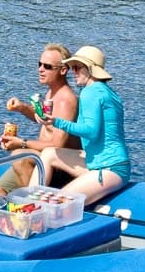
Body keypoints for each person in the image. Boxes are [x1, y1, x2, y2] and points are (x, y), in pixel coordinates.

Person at [38, 45, 130, 203]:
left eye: (77, 67)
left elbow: (91, 131)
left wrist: (57, 122)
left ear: (90, 69)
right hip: (104, 163)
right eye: (73, 67)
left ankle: (35, 209)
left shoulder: (90, 92)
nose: (73, 72)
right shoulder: (107, 92)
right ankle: (32, 200)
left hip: (108, 168)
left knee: (56, 201)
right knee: (49, 153)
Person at [0, 43, 81, 195]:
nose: (40, 69)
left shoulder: (66, 100)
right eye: (40, 64)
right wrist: (22, 107)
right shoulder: (51, 93)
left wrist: (21, 143)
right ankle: (12, 216)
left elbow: (57, 144)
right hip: (40, 157)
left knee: (19, 156)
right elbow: (43, 119)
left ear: (63, 70)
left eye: (47, 66)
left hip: (59, 166)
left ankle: (33, 207)